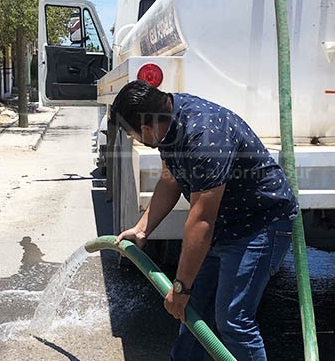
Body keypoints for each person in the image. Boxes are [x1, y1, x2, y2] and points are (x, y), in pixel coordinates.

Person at [109, 80, 298, 361]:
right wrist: (141, 229)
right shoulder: (167, 119)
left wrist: (180, 287)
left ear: (146, 129)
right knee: (193, 312)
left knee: (233, 320)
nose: (134, 139)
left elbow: (201, 222)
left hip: (259, 224)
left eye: (132, 134)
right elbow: (170, 180)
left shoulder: (205, 136)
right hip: (226, 222)